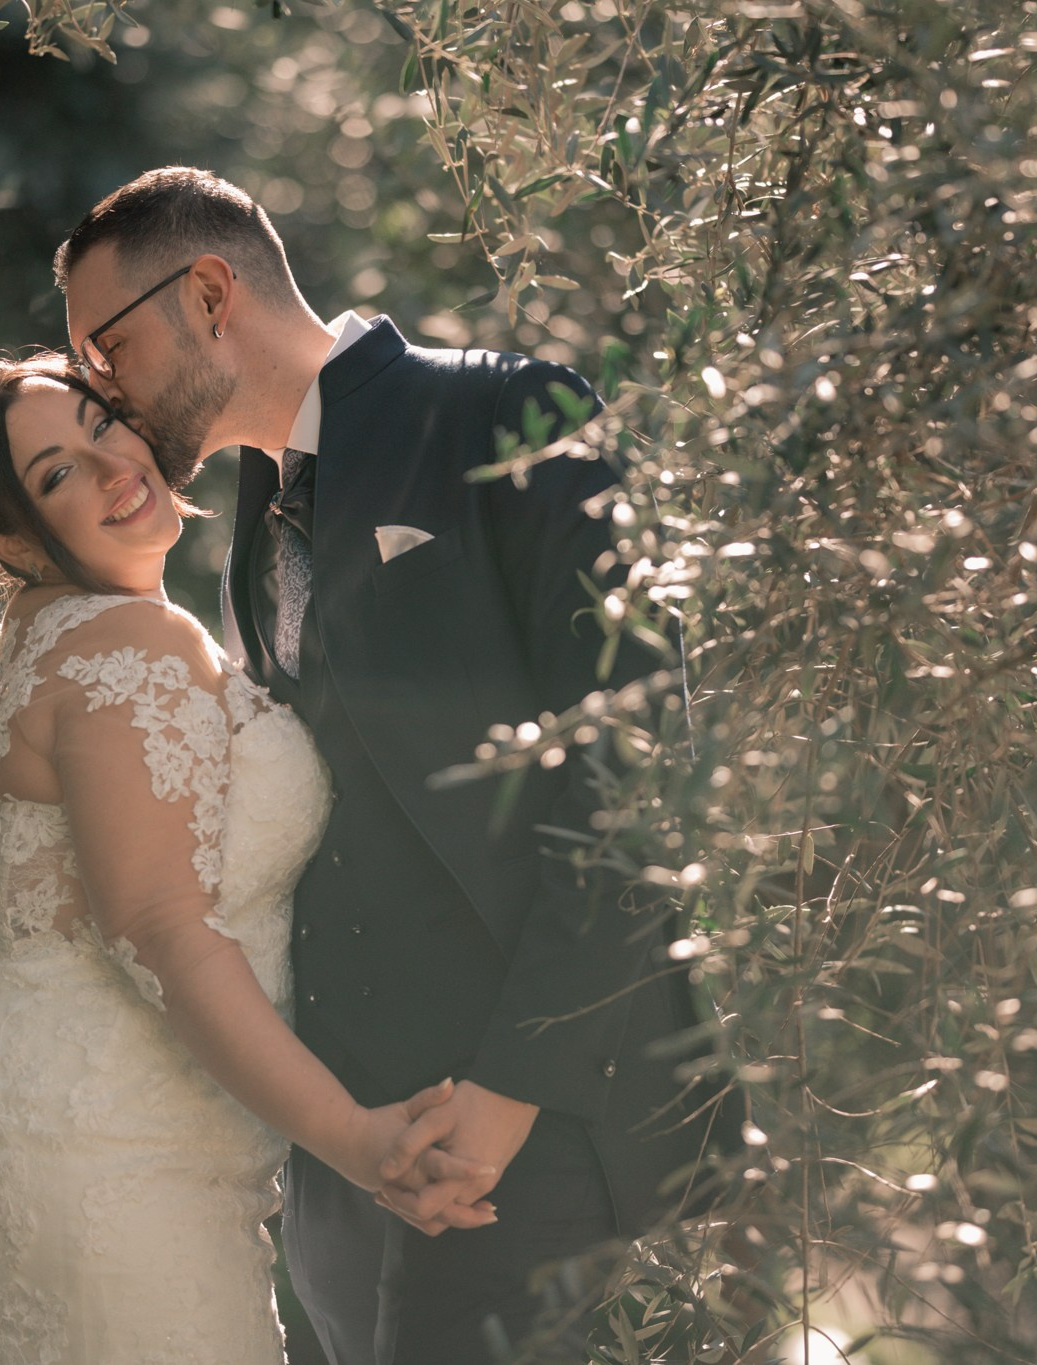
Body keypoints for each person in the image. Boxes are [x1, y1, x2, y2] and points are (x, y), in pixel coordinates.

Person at [47, 167, 736, 1365]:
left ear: (210, 293)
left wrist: (505, 1099)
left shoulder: (511, 420)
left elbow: (631, 783)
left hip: (533, 1133)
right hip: (353, 1161)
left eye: (109, 348)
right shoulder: (247, 533)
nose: (103, 391)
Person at [0, 355, 488, 1365]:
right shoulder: (131, 640)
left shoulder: (47, 625)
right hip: (93, 1145)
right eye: (58, 474)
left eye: (98, 423)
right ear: (11, 542)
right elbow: (160, 926)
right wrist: (354, 1137)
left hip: (1, 1087)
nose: (113, 466)